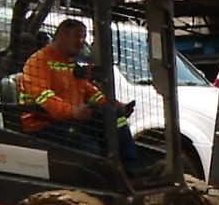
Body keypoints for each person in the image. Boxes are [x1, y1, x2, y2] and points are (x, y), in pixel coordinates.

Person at [19, 18, 140, 168]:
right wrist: (73, 111)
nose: (82, 42)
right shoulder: (38, 62)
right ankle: (101, 180)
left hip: (69, 119)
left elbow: (91, 93)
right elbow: (44, 98)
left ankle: (132, 169)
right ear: (62, 35)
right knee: (88, 143)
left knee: (115, 117)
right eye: (78, 36)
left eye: (84, 37)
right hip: (43, 125)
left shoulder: (70, 65)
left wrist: (117, 106)